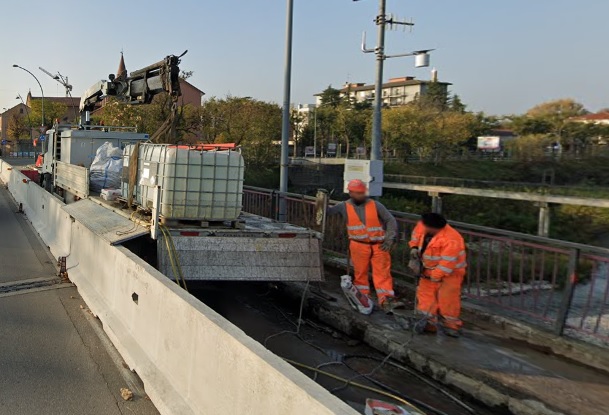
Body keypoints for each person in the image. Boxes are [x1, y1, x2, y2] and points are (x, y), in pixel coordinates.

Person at [329, 179, 405, 313]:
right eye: (358, 193)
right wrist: (321, 201)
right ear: (351, 193)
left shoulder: (376, 205)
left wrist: (389, 239)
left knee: (383, 274)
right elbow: (327, 212)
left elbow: (390, 220)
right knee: (360, 274)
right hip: (358, 245)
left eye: (362, 193)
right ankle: (363, 298)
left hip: (379, 245)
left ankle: (386, 299)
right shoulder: (343, 206)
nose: (361, 195)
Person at [409, 213, 467, 337]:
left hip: (450, 274)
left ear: (434, 228)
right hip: (428, 270)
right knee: (425, 297)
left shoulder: (452, 239)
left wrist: (435, 276)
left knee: (448, 300)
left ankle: (451, 326)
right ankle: (428, 323)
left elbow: (447, 263)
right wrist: (414, 247)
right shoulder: (424, 225)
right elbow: (416, 235)